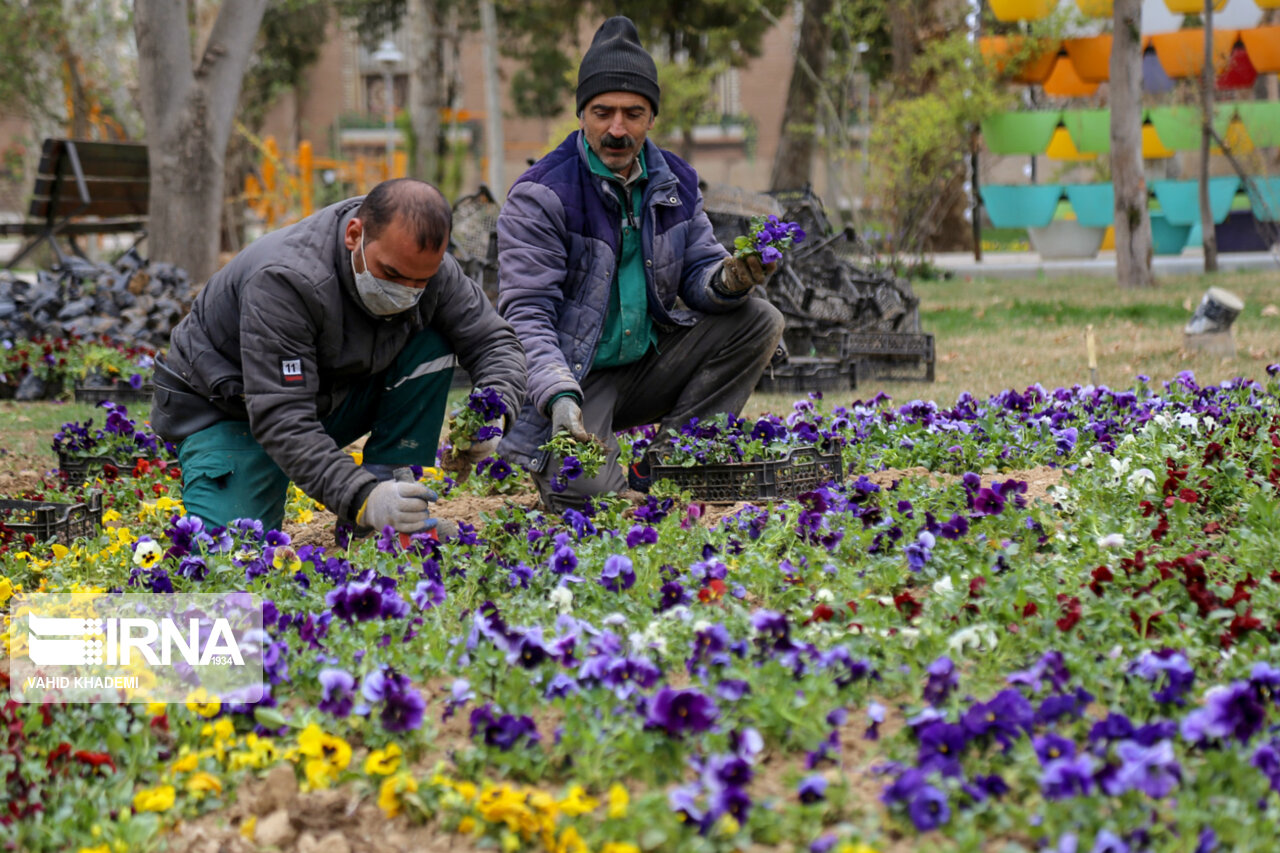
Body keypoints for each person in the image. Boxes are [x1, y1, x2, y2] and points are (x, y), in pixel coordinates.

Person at [496, 16, 785, 507]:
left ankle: (670, 462)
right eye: (602, 111)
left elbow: (698, 274)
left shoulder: (674, 180)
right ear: (582, 114)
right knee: (592, 498)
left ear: (652, 117)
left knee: (758, 319)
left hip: (644, 362)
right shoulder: (542, 195)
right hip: (572, 378)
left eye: (633, 113)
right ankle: (594, 464)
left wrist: (731, 279)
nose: (616, 128)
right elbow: (526, 316)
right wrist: (557, 395)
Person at [150, 179, 526, 534]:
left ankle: (387, 482)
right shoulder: (285, 281)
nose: (407, 292)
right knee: (232, 552)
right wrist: (362, 498)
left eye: (420, 282)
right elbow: (282, 416)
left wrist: (496, 409)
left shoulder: (427, 268)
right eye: (391, 273)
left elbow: (494, 341)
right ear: (354, 235)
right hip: (229, 411)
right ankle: (372, 501)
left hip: (320, 396)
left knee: (432, 340)